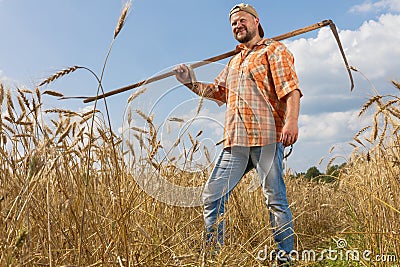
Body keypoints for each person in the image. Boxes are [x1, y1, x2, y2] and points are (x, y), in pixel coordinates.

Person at [174, 3, 302, 266]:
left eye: (242, 20)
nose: (237, 25)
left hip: (267, 139)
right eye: (233, 23)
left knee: (275, 201)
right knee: (212, 196)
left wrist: (291, 122)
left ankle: (285, 260)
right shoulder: (235, 61)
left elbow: (291, 90)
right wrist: (189, 81)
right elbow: (217, 92)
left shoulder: (273, 50)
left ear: (256, 22)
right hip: (236, 143)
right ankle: (214, 258)